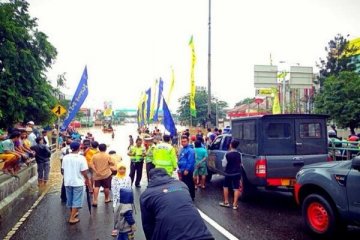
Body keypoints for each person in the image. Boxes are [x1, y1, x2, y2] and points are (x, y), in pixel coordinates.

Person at [140, 168, 214, 240]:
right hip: (202, 235)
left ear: (150, 179)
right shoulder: (181, 185)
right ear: (167, 175)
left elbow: (148, 226)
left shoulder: (147, 195)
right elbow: (167, 191)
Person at [61, 141, 90, 224]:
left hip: (67, 181)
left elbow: (63, 169)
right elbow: (84, 171)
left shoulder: (65, 157)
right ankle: (72, 218)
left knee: (70, 199)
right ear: (79, 148)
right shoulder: (81, 158)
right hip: (78, 182)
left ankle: (73, 213)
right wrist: (87, 179)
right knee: (76, 200)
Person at [219, 139, 242, 210]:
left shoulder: (227, 154)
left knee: (225, 186)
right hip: (237, 173)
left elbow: (224, 164)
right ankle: (235, 204)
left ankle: (226, 202)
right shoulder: (239, 154)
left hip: (229, 173)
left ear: (231, 145)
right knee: (236, 188)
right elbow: (240, 164)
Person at [111, 162, 132, 237]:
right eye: (120, 169)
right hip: (117, 200)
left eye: (124, 169)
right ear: (118, 169)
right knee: (116, 215)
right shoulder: (114, 178)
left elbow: (129, 188)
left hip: (126, 200)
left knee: (127, 215)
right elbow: (113, 189)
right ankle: (116, 228)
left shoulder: (128, 178)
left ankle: (129, 230)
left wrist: (129, 199)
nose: (122, 170)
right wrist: (116, 200)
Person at [178, 135, 196, 201]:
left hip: (187, 171)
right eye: (182, 141)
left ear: (188, 141)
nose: (183, 143)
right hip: (182, 169)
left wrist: (187, 169)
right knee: (184, 183)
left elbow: (190, 161)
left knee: (189, 184)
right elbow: (181, 158)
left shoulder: (190, 150)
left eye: (185, 141)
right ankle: (186, 196)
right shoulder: (183, 149)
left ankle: (191, 196)